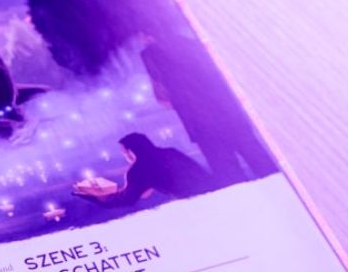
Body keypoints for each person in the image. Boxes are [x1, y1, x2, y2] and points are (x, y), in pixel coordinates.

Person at [140, 32, 277, 185]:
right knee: (262, 163)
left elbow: (162, 97)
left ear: (144, 33)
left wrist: (177, 100)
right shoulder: (194, 42)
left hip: (201, 123)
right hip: (230, 113)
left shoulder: (151, 53)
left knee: (230, 176)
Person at [74, 132, 213, 207]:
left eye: (124, 152)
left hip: (192, 201)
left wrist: (93, 196)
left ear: (130, 151)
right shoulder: (170, 152)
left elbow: (126, 200)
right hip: (211, 189)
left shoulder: (138, 170)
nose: (125, 156)